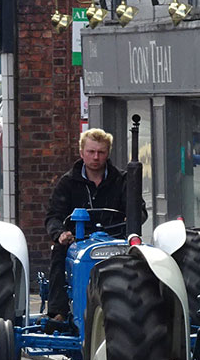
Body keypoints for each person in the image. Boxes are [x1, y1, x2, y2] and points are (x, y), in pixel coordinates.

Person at [44, 128, 147, 323]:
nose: (96, 157)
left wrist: (129, 222)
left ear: (108, 153)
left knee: (140, 258)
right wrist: (60, 233)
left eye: (100, 152)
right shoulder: (68, 183)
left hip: (115, 238)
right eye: (91, 152)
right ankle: (58, 311)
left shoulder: (122, 180)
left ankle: (138, 308)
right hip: (78, 239)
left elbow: (139, 211)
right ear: (82, 153)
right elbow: (53, 216)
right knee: (58, 252)